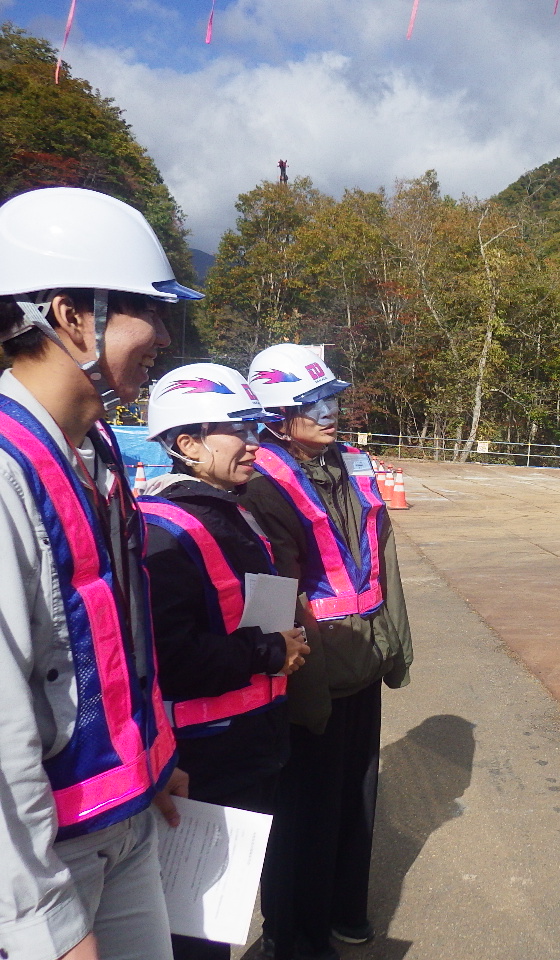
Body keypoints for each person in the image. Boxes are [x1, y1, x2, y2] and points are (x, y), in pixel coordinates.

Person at [0, 186, 199, 960]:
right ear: (72, 314)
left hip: (130, 815)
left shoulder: (99, 451)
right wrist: (44, 918)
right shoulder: (9, 470)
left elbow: (117, 637)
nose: (163, 337)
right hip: (49, 857)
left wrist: (160, 752)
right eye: (150, 313)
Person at [240, 343, 413, 960]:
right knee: (302, 816)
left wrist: (394, 648)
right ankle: (296, 937)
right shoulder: (261, 487)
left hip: (362, 662)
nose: (330, 413)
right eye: (313, 404)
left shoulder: (353, 467)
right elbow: (273, 599)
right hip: (309, 672)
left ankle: (344, 910)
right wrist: (297, 688)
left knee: (355, 798)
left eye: (333, 399)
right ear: (275, 416)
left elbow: (382, 565)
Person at [137, 363, 311, 960]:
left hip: (250, 747)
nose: (253, 442)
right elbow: (172, 657)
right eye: (237, 428)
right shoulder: (165, 531)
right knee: (197, 928)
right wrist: (269, 651)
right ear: (187, 444)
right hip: (205, 758)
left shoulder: (232, 511)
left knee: (224, 916)